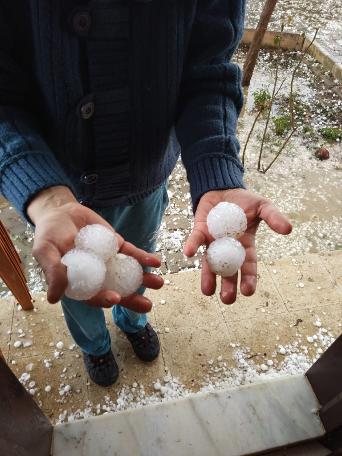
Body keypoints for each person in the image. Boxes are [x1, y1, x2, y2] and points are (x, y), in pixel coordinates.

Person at [0, 1, 292, 387]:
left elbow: (206, 72)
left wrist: (217, 168)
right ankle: (95, 344)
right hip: (56, 190)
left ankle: (132, 321)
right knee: (75, 285)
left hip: (144, 182)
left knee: (139, 259)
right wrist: (46, 195)